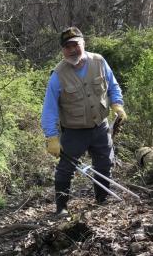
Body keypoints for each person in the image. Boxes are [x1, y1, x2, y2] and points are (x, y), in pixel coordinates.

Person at [41, 26, 126, 216]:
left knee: (104, 164)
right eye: (67, 46)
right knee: (65, 169)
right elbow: (49, 109)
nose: (72, 50)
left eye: (75, 45)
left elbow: (113, 85)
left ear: (83, 43)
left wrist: (117, 105)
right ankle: (61, 207)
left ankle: (102, 201)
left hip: (100, 127)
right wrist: (51, 137)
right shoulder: (57, 75)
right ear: (63, 50)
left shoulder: (99, 61)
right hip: (73, 131)